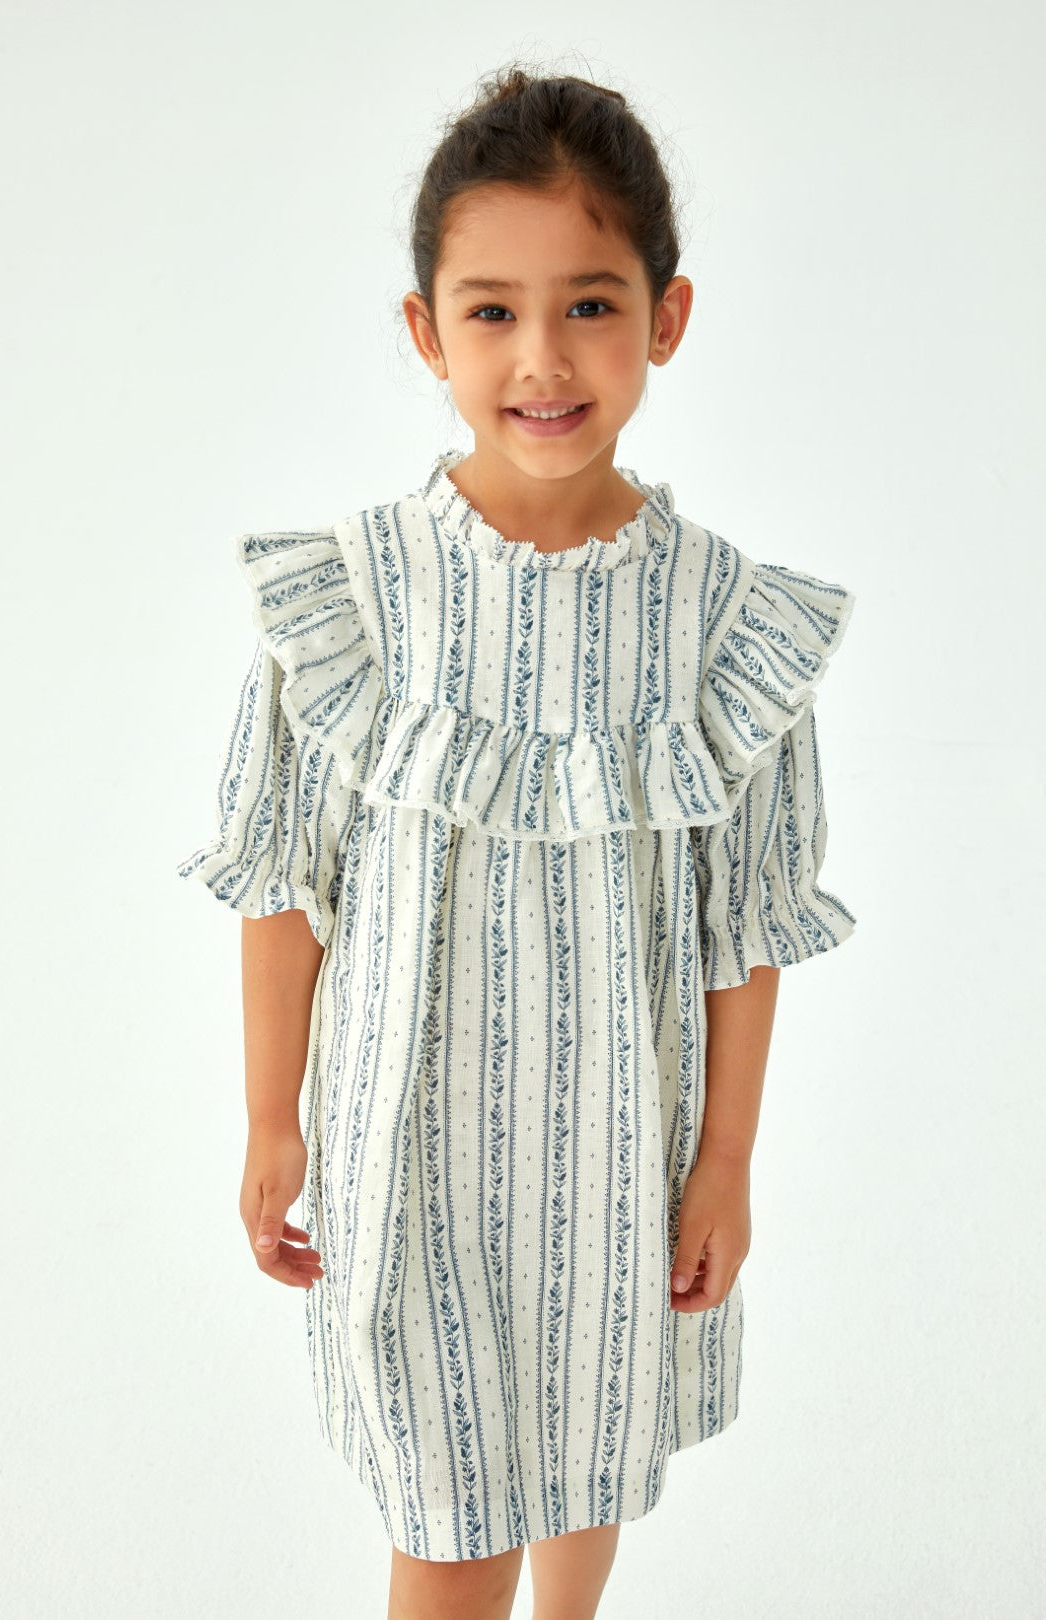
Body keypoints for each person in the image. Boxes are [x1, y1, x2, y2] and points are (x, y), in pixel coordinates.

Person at [176, 63, 857, 1620]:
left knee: (587, 1451)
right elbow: (284, 884)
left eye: (591, 306)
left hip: (622, 1151)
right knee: (452, 1510)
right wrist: (272, 1120)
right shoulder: (354, 600)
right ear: (428, 332)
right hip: (405, 1147)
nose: (543, 357)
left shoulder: (722, 624)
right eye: (493, 311)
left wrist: (725, 1161)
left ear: (666, 318)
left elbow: (743, 925)